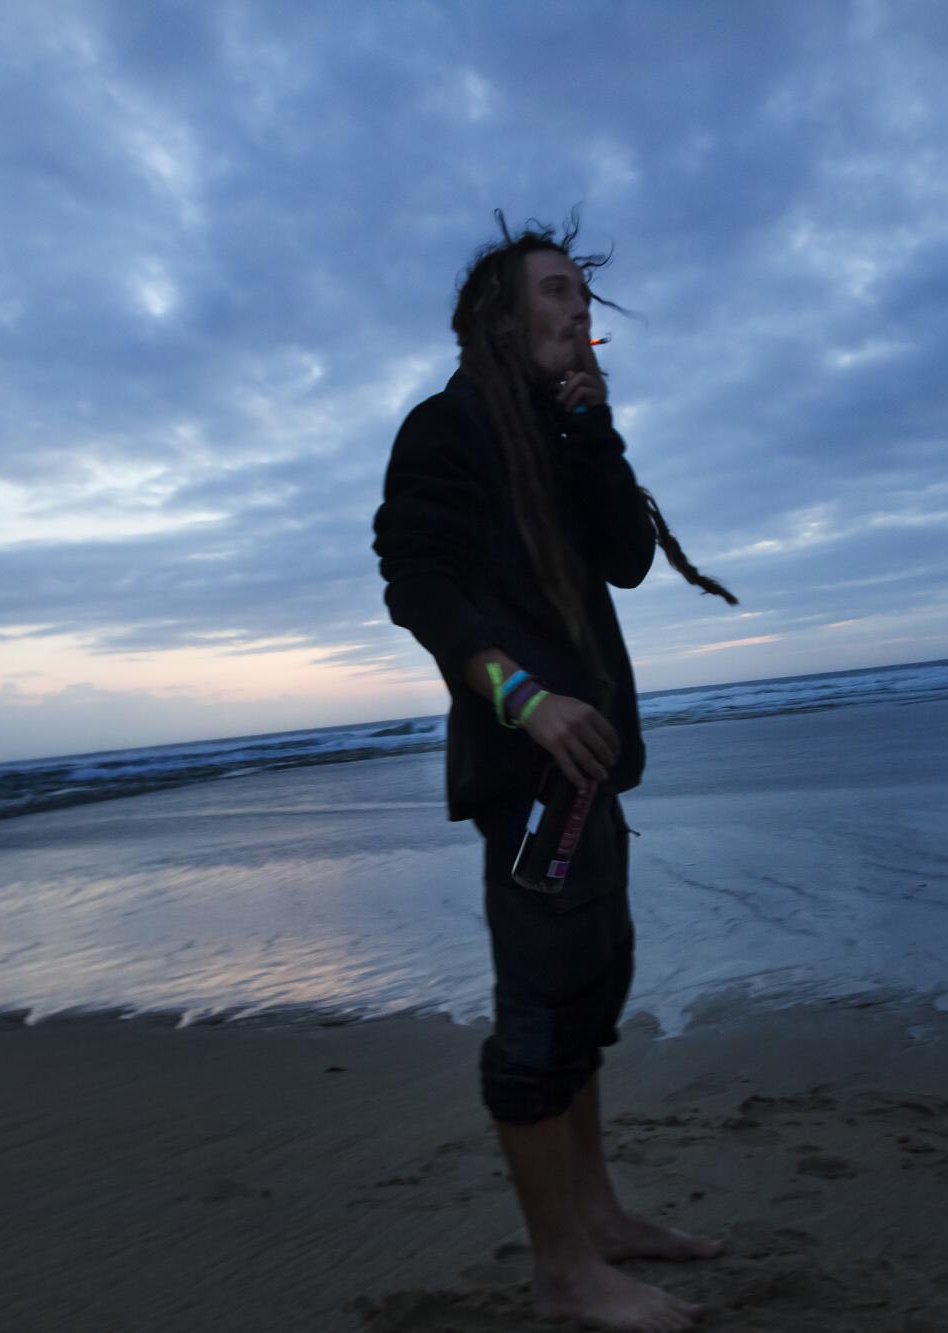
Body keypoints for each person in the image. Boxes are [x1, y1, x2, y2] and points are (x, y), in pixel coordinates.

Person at [373, 213, 736, 1332]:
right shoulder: (445, 429)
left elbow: (625, 559)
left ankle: (599, 1217)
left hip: (591, 769)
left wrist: (596, 433)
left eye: (584, 299)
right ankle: (560, 1271)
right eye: (555, 293)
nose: (578, 312)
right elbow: (415, 585)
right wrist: (521, 697)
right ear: (497, 314)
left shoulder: (563, 430)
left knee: (592, 982)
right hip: (525, 767)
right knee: (539, 1008)